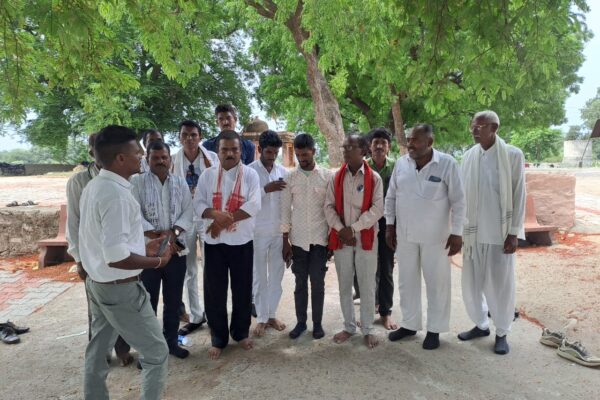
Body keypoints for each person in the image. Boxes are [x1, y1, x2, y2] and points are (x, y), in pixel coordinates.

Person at [79, 125, 173, 400]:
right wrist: (157, 261)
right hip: (120, 289)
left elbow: (105, 242)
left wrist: (143, 247)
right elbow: (117, 257)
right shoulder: (116, 195)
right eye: (137, 152)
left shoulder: (96, 186)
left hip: (98, 284)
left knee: (98, 352)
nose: (142, 156)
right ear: (120, 158)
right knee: (157, 352)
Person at [385, 124, 466, 349]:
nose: (409, 144)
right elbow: (391, 197)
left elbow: (459, 200)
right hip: (405, 235)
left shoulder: (447, 163)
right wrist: (390, 225)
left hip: (436, 237)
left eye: (415, 140)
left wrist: (457, 232)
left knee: (437, 284)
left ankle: (434, 329)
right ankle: (410, 324)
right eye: (409, 139)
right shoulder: (402, 164)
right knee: (406, 282)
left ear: (429, 142)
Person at [458, 110, 525, 355]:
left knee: (500, 287)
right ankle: (481, 325)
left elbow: (519, 194)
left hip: (499, 235)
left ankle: (502, 332)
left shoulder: (512, 155)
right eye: (473, 126)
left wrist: (514, 232)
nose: (474, 130)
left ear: (494, 128)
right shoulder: (468, 156)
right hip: (473, 235)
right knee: (471, 285)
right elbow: (461, 196)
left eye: (480, 126)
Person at [65, 133, 133, 366]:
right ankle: (100, 356)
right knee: (97, 311)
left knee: (122, 307)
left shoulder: (124, 178)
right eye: (96, 148)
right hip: (93, 258)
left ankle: (123, 349)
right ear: (91, 152)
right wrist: (78, 259)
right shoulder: (79, 182)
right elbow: (73, 222)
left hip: (121, 256)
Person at [193, 130, 261, 360]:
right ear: (218, 151)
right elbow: (198, 203)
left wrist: (219, 223)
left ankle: (240, 333)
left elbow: (253, 205)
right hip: (214, 244)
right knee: (214, 292)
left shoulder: (250, 175)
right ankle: (218, 337)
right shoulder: (207, 175)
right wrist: (215, 215)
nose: (230, 153)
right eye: (225, 149)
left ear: (241, 151)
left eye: (234, 149)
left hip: (242, 241)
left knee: (243, 290)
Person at [131, 141, 194, 359]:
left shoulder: (180, 183)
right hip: (148, 253)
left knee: (173, 301)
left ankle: (171, 344)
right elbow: (134, 213)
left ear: (170, 159)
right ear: (147, 160)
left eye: (164, 157)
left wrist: (173, 233)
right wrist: (157, 236)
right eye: (155, 158)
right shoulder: (137, 182)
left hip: (175, 251)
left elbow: (188, 212)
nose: (160, 161)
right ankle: (149, 352)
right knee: (147, 303)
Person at [324, 134, 384, 349]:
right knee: (344, 284)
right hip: (342, 238)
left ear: (363, 151)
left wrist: (354, 229)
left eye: (350, 147)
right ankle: (349, 327)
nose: (345, 151)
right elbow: (328, 206)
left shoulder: (374, 178)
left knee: (367, 284)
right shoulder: (336, 177)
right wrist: (341, 230)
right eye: (344, 147)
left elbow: (377, 209)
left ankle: (367, 328)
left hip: (365, 237)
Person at [281, 134, 332, 340]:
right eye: (299, 155)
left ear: (313, 152)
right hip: (298, 241)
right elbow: (285, 210)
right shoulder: (290, 178)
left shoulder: (327, 176)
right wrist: (285, 241)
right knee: (300, 284)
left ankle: (317, 325)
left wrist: (331, 240)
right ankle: (301, 323)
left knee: (318, 284)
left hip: (320, 239)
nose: (302, 158)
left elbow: (331, 209)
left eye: (305, 154)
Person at [170, 120, 218, 336]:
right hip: (184, 219)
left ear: (200, 137)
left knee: (211, 268)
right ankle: (197, 316)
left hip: (207, 217)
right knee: (189, 270)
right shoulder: (173, 161)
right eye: (185, 135)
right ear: (179, 137)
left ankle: (214, 314)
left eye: (193, 135)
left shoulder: (212, 158)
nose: (189, 139)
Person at [248, 130, 287, 336]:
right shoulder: (249, 172)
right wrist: (265, 189)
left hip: (278, 232)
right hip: (257, 232)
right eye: (269, 152)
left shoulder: (283, 171)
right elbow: (245, 201)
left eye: (275, 153)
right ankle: (261, 318)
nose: (272, 156)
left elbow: (287, 204)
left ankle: (271, 314)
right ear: (260, 149)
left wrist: (287, 235)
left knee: (277, 276)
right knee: (259, 277)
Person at [366, 127, 398, 330]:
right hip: (366, 223)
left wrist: (394, 227)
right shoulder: (363, 167)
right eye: (375, 142)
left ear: (389, 147)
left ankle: (385, 312)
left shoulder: (397, 167)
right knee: (366, 269)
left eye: (383, 143)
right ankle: (369, 308)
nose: (379, 146)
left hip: (388, 224)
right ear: (369, 147)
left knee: (386, 268)